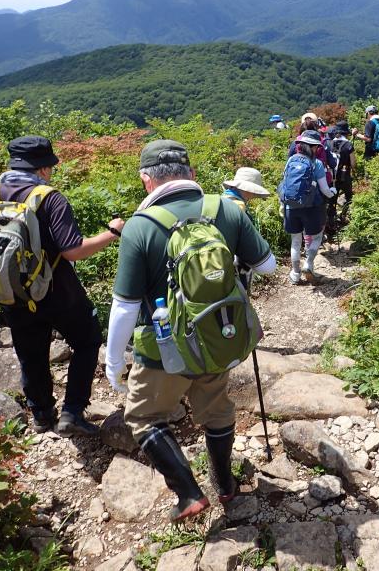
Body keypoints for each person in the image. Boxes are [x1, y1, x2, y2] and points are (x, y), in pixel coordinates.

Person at [104, 139, 276, 524]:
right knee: (215, 410)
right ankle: (225, 483)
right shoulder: (226, 210)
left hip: (162, 348)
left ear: (146, 180)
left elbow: (126, 306)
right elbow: (268, 266)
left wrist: (113, 359)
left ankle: (189, 493)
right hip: (218, 335)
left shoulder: (139, 227)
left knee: (145, 419)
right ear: (192, 175)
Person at [0, 135, 124, 436]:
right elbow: (73, 250)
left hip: (12, 295)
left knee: (30, 353)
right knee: (86, 342)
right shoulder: (49, 198)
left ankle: (42, 415)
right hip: (58, 292)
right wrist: (112, 232)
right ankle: (72, 411)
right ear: (43, 168)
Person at [281, 130, 336, 284]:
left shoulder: (291, 160)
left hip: (290, 207)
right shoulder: (317, 164)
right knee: (317, 236)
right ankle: (309, 264)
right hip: (312, 207)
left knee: (296, 241)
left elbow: (285, 184)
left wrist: (282, 205)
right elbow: (325, 189)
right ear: (315, 147)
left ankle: (295, 273)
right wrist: (332, 192)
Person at [325, 120, 357, 238]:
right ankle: (344, 217)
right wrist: (355, 171)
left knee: (332, 200)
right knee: (348, 196)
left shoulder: (329, 144)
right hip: (345, 175)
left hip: (332, 176)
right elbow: (353, 163)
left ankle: (331, 223)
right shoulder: (348, 145)